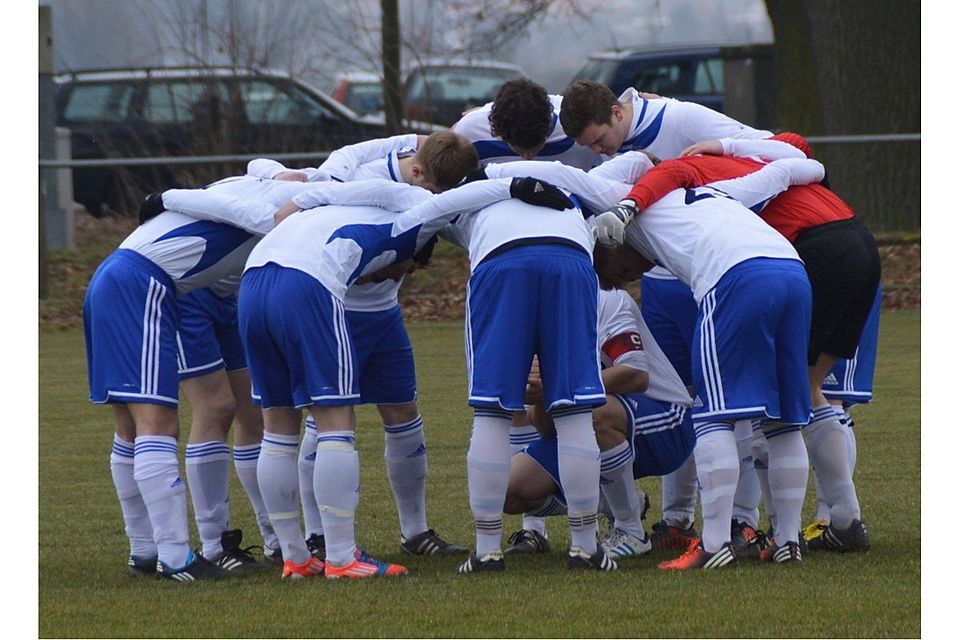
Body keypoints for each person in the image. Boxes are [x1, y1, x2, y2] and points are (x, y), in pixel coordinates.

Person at [480, 150, 827, 567]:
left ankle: (714, 547)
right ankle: (788, 541)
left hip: (734, 276)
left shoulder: (622, 197)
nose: (617, 279)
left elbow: (558, 172)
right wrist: (806, 166)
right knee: (783, 418)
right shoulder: (715, 191)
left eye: (604, 266)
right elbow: (789, 169)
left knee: (714, 417)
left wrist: (488, 173)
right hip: (792, 271)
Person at [225, 174, 574, 578]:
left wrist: (301, 199)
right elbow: (450, 199)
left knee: (279, 425)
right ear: (416, 250)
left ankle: (296, 558)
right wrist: (516, 186)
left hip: (254, 282)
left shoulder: (338, 206)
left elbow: (344, 186)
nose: (393, 278)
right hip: (306, 284)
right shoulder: (412, 220)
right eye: (404, 270)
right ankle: (341, 558)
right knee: (335, 423)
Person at [608, 135, 879, 552]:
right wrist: (728, 143)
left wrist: (633, 202)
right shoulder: (751, 162)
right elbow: (800, 151)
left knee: (757, 406)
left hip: (803, 252)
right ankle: (840, 519)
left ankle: (739, 531)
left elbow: (673, 172)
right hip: (858, 240)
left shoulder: (697, 174)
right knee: (808, 392)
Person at [247, 132, 479, 559]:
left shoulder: (440, 174)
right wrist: (303, 197)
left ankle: (415, 531)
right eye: (432, 191)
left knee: (404, 412)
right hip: (331, 301)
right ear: (416, 170)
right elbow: (324, 183)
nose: (435, 200)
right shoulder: (364, 177)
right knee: (325, 420)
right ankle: (319, 538)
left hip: (382, 313)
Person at [85, 183, 301, 581]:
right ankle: (175, 557)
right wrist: (164, 196)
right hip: (141, 285)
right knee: (158, 422)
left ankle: (146, 550)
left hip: (119, 279)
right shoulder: (257, 210)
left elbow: (260, 176)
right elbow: (243, 205)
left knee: (131, 425)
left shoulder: (256, 199)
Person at [503, 287, 695, 560]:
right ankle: (616, 503)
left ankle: (631, 531)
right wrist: (541, 397)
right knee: (508, 491)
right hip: (586, 431)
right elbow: (545, 429)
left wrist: (561, 387)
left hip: (666, 421)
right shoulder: (529, 321)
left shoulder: (607, 301)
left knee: (596, 411)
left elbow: (636, 374)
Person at [176, 281, 280, 572]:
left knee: (254, 411)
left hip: (232, 294)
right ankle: (214, 546)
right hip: (189, 293)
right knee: (215, 408)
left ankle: (276, 538)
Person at [452, 77, 602, 169]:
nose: (528, 157)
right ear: (498, 132)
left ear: (549, 125)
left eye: (535, 147)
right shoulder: (470, 131)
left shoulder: (578, 126)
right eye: (519, 151)